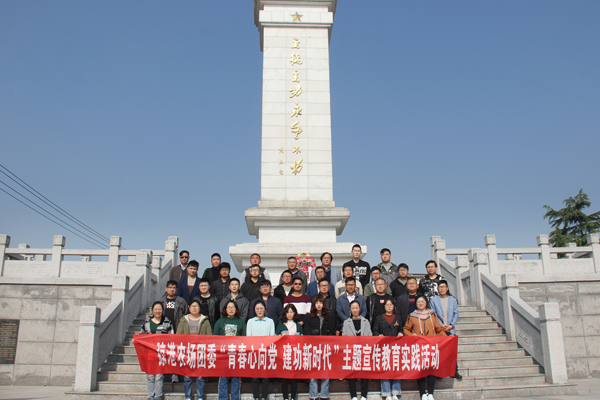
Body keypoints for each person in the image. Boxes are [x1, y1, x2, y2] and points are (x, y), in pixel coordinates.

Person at [403, 295, 447, 400]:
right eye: (418, 302)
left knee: (431, 370)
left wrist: (447, 338)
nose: (421, 303)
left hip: (431, 346)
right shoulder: (412, 316)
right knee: (421, 370)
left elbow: (438, 329)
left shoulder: (432, 315)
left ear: (426, 303)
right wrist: (411, 335)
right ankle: (423, 393)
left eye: (422, 301)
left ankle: (430, 393)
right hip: (418, 347)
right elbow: (406, 329)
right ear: (416, 304)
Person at [176, 299, 212, 400]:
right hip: (187, 352)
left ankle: (200, 397)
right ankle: (188, 397)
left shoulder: (205, 320)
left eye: (196, 306)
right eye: (193, 306)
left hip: (200, 352)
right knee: (187, 376)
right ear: (189, 308)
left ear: (200, 308)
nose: (194, 308)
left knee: (200, 377)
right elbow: (178, 336)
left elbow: (209, 336)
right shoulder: (184, 320)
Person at [303, 295, 336, 400]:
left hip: (325, 348)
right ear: (313, 304)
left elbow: (332, 332)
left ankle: (324, 394)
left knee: (325, 371)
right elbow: (307, 332)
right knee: (313, 372)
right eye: (316, 302)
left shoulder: (328, 317)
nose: (318, 305)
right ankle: (313, 395)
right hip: (313, 348)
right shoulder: (309, 317)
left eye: (321, 302)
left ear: (324, 304)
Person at [140, 301, 174, 400]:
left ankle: (158, 396)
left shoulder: (167, 322)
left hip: (161, 353)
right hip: (149, 353)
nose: (158, 311)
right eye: (156, 309)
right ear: (152, 310)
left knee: (159, 376)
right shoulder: (147, 322)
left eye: (159, 309)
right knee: (150, 376)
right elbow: (141, 335)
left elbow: (171, 337)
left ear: (162, 310)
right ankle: (150, 396)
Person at [372, 298, 404, 400]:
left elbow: (401, 329)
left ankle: (395, 392)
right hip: (384, 347)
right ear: (384, 307)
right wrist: (378, 335)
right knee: (385, 369)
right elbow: (375, 330)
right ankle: (386, 393)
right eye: (387, 305)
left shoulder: (397, 317)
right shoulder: (379, 318)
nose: (389, 307)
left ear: (394, 306)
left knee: (396, 368)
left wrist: (401, 333)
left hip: (395, 347)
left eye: (391, 305)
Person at [429, 280, 462, 379]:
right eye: (440, 287)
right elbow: (433, 314)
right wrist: (440, 326)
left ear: (447, 288)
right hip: (439, 329)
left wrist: (451, 325)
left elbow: (456, 313)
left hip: (450, 329)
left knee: (452, 351)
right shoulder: (433, 300)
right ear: (437, 289)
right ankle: (440, 372)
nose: (442, 289)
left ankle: (454, 371)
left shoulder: (453, 300)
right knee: (439, 351)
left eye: (444, 287)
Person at [214, 300, 246, 400]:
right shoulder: (220, 322)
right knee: (223, 378)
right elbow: (215, 338)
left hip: (236, 355)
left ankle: (235, 398)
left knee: (236, 378)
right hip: (223, 355)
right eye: (229, 307)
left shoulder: (241, 322)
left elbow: (244, 339)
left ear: (236, 309)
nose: (231, 309)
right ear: (225, 309)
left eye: (233, 307)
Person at [342, 300, 371, 400]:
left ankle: (363, 395)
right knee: (352, 374)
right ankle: (353, 395)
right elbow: (344, 337)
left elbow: (370, 336)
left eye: (357, 308)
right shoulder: (346, 322)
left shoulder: (366, 322)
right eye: (353, 308)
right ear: (350, 309)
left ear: (360, 309)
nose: (355, 310)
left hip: (364, 351)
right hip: (351, 351)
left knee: (364, 374)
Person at [160, 280, 188, 384]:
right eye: (170, 287)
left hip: (177, 330)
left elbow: (186, 315)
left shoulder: (181, 301)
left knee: (176, 353)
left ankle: (175, 373)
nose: (172, 290)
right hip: (164, 331)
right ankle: (162, 373)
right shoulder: (161, 301)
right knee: (164, 353)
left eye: (174, 288)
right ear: (166, 289)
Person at [247, 300, 275, 400]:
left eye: (261, 308)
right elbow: (248, 337)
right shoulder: (250, 322)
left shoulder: (270, 321)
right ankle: (256, 397)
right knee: (255, 377)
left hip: (266, 352)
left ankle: (264, 397)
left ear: (264, 309)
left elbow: (272, 337)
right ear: (254, 310)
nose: (259, 310)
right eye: (257, 309)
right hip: (254, 352)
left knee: (265, 377)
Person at [276, 304, 303, 400]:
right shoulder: (280, 325)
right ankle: (285, 397)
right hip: (283, 354)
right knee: (284, 377)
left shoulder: (298, 326)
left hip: (295, 354)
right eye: (287, 312)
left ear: (294, 313)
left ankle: (293, 397)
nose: (289, 314)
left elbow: (301, 340)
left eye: (291, 312)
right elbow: (276, 339)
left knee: (293, 377)